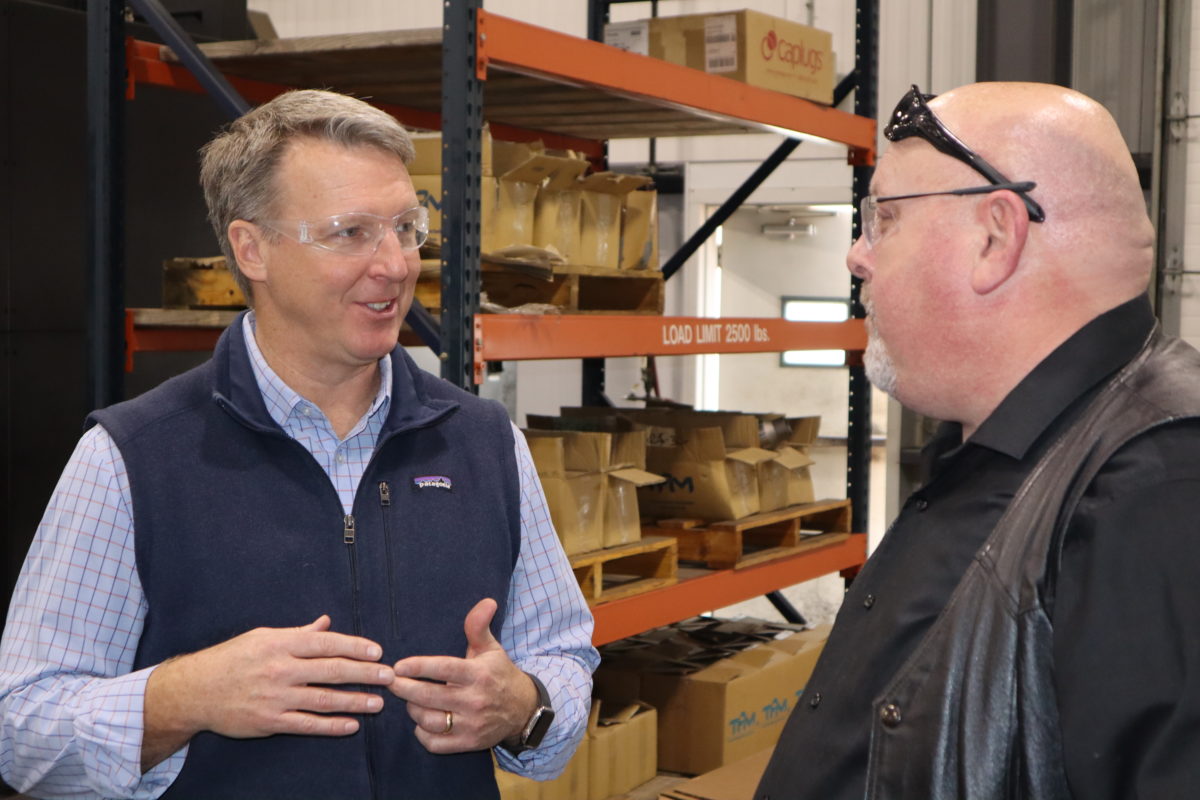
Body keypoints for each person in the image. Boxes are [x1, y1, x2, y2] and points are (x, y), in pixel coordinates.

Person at [0, 89, 597, 799]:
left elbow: (564, 654)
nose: (396, 265)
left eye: (406, 228)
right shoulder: (131, 457)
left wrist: (522, 705)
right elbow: (22, 730)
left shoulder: (483, 441)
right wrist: (183, 695)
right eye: (350, 233)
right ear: (252, 248)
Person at [756, 82, 1200, 799]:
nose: (858, 256)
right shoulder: (1009, 454)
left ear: (996, 236)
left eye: (885, 219)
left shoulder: (1157, 492)